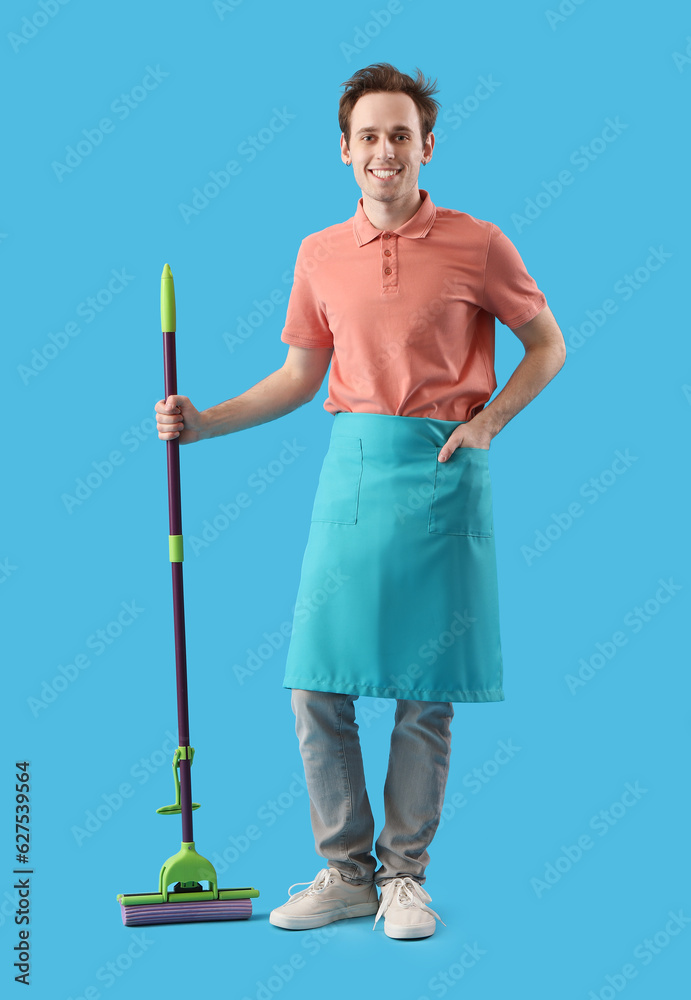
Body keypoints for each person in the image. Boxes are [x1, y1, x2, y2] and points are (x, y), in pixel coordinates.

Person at [155, 62, 566, 941]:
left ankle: (404, 878)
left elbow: (547, 345)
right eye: (369, 136)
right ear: (345, 151)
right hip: (351, 471)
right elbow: (301, 376)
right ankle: (346, 873)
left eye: (400, 135)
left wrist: (489, 422)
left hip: (440, 468)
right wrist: (203, 422)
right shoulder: (317, 254)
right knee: (317, 681)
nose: (385, 151)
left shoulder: (478, 243)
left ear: (426, 146)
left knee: (426, 689)